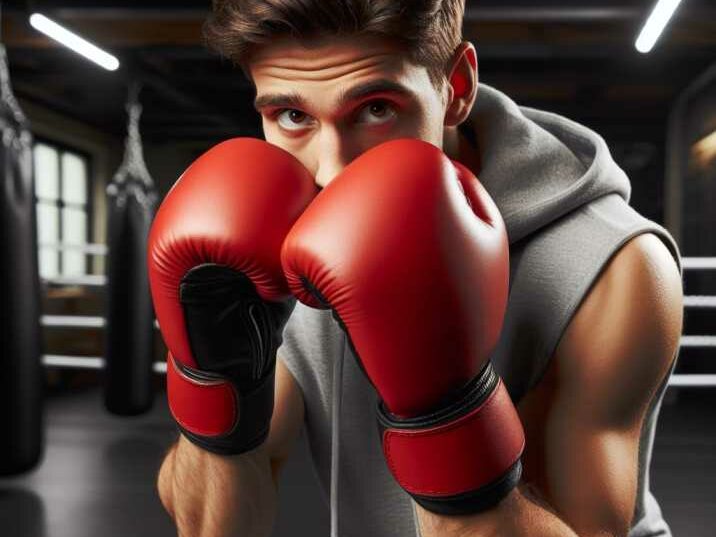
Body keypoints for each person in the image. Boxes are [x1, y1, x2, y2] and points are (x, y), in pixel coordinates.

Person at [149, 1, 685, 536]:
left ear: (456, 87)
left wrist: (447, 409)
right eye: (293, 117)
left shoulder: (610, 262)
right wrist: (214, 380)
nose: (331, 171)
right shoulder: (281, 238)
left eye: (376, 109)